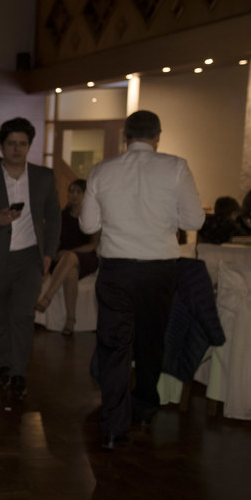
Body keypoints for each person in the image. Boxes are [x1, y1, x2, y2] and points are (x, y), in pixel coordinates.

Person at [80, 110, 204, 450]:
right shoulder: (176, 167)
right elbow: (195, 218)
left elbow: (88, 226)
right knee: (151, 341)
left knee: (114, 346)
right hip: (159, 270)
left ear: (125, 135)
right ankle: (146, 407)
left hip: (117, 269)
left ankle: (113, 427)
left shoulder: (102, 170)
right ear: (158, 136)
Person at [0, 117, 60, 400]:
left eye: (22, 144)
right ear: (2, 146)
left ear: (29, 146)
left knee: (23, 315)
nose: (17, 149)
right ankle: (4, 364)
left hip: (30, 258)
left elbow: (53, 218)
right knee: (1, 317)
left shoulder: (44, 177)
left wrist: (49, 254)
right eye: (11, 144)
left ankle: (18, 371)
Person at [35, 179, 100, 335]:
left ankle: (47, 298)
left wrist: (71, 252)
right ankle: (70, 321)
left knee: (70, 257)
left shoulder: (91, 215)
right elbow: (53, 239)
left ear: (85, 195)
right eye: (71, 191)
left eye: (78, 192)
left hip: (86, 257)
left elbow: (94, 244)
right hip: (63, 259)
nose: (74, 195)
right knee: (71, 271)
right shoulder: (62, 215)